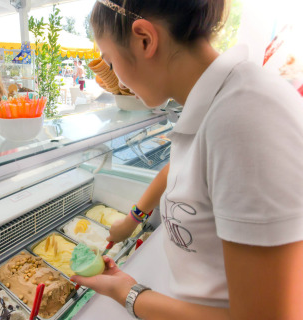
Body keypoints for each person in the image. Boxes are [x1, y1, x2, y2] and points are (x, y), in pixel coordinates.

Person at [70, 1, 303, 319]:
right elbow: (182, 171)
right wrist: (132, 219)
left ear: (144, 39)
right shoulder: (217, 99)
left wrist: (128, 293)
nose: (117, 79)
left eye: (110, 62)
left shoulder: (243, 116)